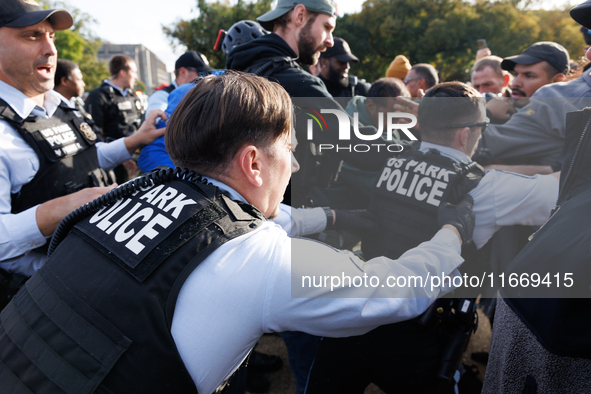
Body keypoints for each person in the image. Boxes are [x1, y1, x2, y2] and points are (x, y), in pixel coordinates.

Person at [0, 71, 476, 394]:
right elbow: (394, 294)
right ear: (252, 161)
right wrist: (452, 232)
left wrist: (336, 218)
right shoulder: (257, 258)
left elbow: (247, 222)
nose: (294, 163)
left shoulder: (127, 196)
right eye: (289, 149)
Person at [306, 82, 559, 394]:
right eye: (481, 128)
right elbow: (562, 192)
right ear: (466, 133)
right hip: (417, 339)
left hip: (355, 317)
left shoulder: (393, 159)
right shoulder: (483, 188)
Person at [0, 0, 166, 283]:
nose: (51, 49)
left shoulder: (60, 105)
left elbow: (86, 156)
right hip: (45, 300)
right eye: (32, 36)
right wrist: (60, 210)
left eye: (51, 36)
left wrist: (136, 140)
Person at [482, 2, 591, 391]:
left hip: (547, 274)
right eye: (516, 73)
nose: (517, 81)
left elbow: (486, 145)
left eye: (530, 75)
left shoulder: (558, 99)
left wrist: (480, 112)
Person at [501, 41, 570, 107]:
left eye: (529, 76)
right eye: (516, 74)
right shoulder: (500, 110)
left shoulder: (567, 117)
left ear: (557, 81)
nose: (516, 83)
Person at [146, 50, 213, 113]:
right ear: (183, 72)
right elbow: (157, 124)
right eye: (202, 74)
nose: (206, 78)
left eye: (209, 74)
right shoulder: (161, 96)